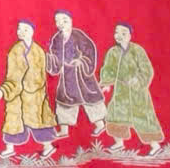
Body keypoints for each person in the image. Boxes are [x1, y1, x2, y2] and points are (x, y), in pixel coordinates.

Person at [0, 19, 58, 159]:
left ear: (32, 32)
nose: (21, 32)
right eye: (19, 29)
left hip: (35, 93)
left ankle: (48, 146)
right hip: (17, 92)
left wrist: (33, 87)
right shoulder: (15, 50)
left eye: (25, 29)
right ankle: (9, 148)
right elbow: (11, 74)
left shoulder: (38, 51)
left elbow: (40, 74)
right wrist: (4, 90)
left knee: (40, 120)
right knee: (13, 120)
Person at [99, 22, 164, 154]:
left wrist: (137, 80)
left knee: (144, 118)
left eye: (123, 33)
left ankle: (155, 146)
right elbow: (108, 69)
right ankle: (119, 143)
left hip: (137, 93)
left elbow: (147, 70)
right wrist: (107, 83)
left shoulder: (137, 50)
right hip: (121, 91)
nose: (119, 35)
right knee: (114, 116)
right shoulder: (112, 52)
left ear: (129, 36)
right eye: (117, 32)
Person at [46, 10, 106, 140]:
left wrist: (82, 61)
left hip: (82, 75)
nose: (61, 23)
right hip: (67, 77)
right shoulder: (56, 39)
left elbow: (90, 51)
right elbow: (55, 57)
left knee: (90, 100)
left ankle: (100, 125)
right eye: (58, 21)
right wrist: (53, 63)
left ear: (71, 21)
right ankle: (64, 130)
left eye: (65, 20)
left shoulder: (78, 35)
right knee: (64, 102)